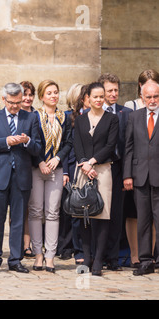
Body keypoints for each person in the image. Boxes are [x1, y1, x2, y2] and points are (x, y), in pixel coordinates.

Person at [0, 83, 42, 275]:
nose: (15, 106)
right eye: (12, 103)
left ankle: (15, 259)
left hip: (22, 176)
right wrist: (6, 142)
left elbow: (38, 148)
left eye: (18, 102)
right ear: (4, 99)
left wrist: (27, 142)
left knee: (17, 221)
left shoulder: (31, 117)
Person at [73, 82, 119, 276]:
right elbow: (77, 144)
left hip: (102, 170)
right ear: (88, 99)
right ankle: (87, 257)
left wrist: (92, 162)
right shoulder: (81, 119)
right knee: (84, 215)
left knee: (102, 215)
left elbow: (110, 145)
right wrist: (85, 164)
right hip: (83, 171)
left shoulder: (112, 119)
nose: (99, 100)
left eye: (102, 96)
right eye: (95, 97)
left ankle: (99, 259)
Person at [29, 80, 72, 273]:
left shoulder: (65, 117)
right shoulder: (34, 116)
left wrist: (58, 159)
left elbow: (69, 143)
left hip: (55, 168)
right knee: (36, 211)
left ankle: (50, 257)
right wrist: (40, 161)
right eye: (49, 93)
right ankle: (38, 254)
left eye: (56, 92)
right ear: (42, 97)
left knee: (53, 213)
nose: (53, 96)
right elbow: (32, 142)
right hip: (37, 169)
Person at [123, 69, 159, 268]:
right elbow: (128, 147)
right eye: (148, 97)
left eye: (155, 96)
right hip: (140, 176)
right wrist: (127, 175)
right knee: (143, 220)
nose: (152, 100)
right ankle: (145, 260)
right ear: (142, 97)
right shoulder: (134, 117)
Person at [98, 73, 132, 271]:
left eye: (115, 90)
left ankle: (113, 258)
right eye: (109, 90)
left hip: (118, 169)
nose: (113, 94)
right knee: (99, 213)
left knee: (116, 215)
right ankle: (98, 255)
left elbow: (129, 146)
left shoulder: (126, 113)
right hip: (99, 169)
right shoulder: (93, 112)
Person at [60, 83, 85, 265]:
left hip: (87, 168)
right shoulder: (69, 117)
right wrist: (66, 170)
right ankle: (67, 246)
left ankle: (78, 247)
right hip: (71, 167)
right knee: (69, 209)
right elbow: (67, 145)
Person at [20, 80, 36, 258]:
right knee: (18, 209)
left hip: (33, 166)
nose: (28, 98)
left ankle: (27, 244)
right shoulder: (12, 114)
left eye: (30, 94)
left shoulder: (36, 115)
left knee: (31, 209)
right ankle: (17, 244)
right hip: (18, 167)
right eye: (25, 94)